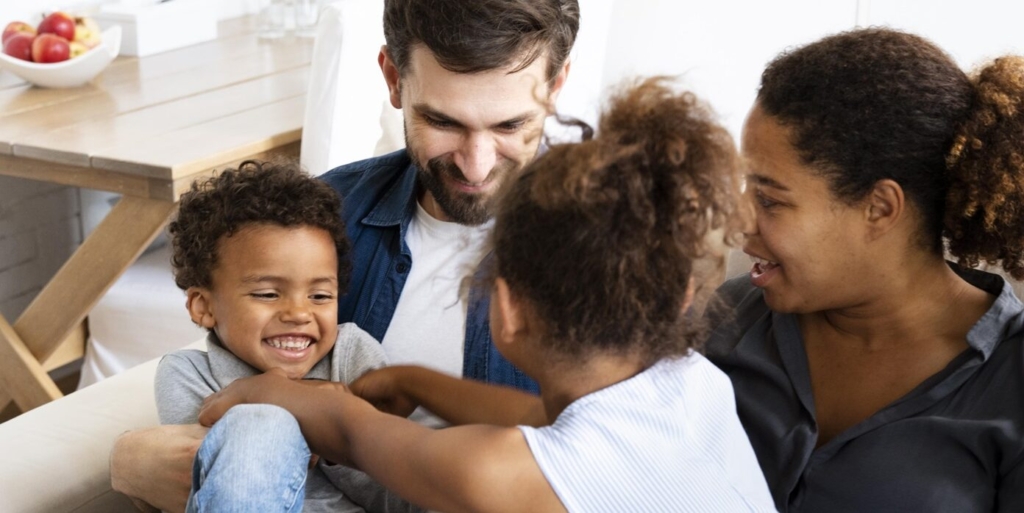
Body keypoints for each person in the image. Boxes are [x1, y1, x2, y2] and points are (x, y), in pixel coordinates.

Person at [195, 77, 776, 513]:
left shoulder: (501, 476)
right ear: (679, 298)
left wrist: (272, 392)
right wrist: (413, 381)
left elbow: (350, 430)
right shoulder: (693, 384)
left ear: (507, 308)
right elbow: (541, 415)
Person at [110, 1, 580, 510]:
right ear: (394, 78)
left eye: (510, 126)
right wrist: (129, 459)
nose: (475, 164)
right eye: (443, 121)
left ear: (555, 89)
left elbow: (606, 451)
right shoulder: (324, 218)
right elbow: (229, 383)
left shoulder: (614, 254)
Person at [703, 28, 1024, 512]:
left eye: (769, 199)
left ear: (879, 207)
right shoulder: (725, 321)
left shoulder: (1011, 381)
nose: (737, 220)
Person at [153, 160, 419, 512]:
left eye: (321, 296)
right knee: (259, 422)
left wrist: (335, 430)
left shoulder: (352, 355)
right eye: (267, 294)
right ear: (203, 306)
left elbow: (401, 498)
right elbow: (199, 479)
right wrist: (295, 408)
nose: (298, 314)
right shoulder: (186, 373)